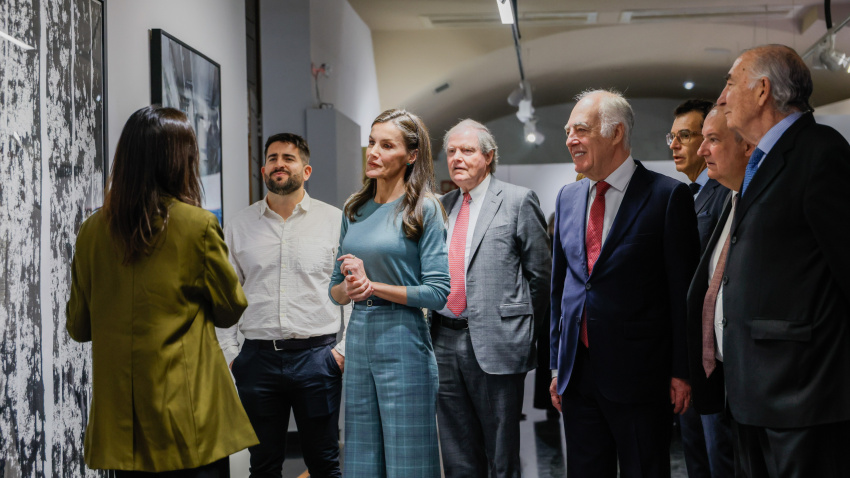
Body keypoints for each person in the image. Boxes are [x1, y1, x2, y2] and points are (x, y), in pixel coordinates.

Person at [65, 105, 258, 476]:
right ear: (179, 161)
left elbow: (79, 327)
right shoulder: (197, 225)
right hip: (190, 421)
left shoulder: (91, 232)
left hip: (124, 428)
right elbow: (230, 308)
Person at [715, 44, 850, 478]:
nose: (722, 96)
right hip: (756, 392)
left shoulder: (819, 152)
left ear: (762, 91)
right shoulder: (765, 159)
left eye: (731, 82)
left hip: (802, 394)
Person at [549, 89, 699, 477]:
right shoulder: (567, 198)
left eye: (580, 129)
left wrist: (682, 371)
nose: (570, 139)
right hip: (577, 376)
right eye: (568, 131)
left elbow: (682, 292)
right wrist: (555, 366)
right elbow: (559, 290)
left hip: (641, 378)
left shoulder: (667, 196)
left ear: (616, 133)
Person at [217, 133, 350, 477]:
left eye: (288, 158)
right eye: (273, 158)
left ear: (306, 170)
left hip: (318, 359)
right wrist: (232, 355)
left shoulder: (335, 221)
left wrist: (343, 352)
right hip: (257, 361)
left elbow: (351, 292)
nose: (279, 164)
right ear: (264, 169)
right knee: (262, 465)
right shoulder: (238, 226)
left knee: (324, 462)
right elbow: (224, 296)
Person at [328, 109, 450, 478]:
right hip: (360, 337)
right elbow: (335, 291)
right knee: (362, 460)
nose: (374, 152)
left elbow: (438, 293)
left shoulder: (425, 208)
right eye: (371, 142)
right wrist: (349, 289)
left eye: (386, 145)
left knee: (408, 462)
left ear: (411, 155)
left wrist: (372, 286)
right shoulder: (355, 208)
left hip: (405, 338)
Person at [430, 119, 550, 477]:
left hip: (498, 344)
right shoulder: (441, 206)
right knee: (456, 454)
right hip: (443, 339)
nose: (457, 158)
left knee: (501, 455)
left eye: (467, 150)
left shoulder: (517, 200)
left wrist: (523, 331)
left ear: (488, 156)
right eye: (451, 152)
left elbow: (540, 276)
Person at [668, 100, 734, 478]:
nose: (675, 145)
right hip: (691, 351)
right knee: (697, 452)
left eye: (686, 136)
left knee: (717, 453)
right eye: (672, 137)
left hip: (714, 352)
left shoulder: (723, 193)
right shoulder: (689, 195)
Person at [685, 107, 753, 476]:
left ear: (745, 147)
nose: (700, 151)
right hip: (719, 370)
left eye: (712, 140)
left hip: (758, 380)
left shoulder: (746, 200)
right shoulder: (730, 199)